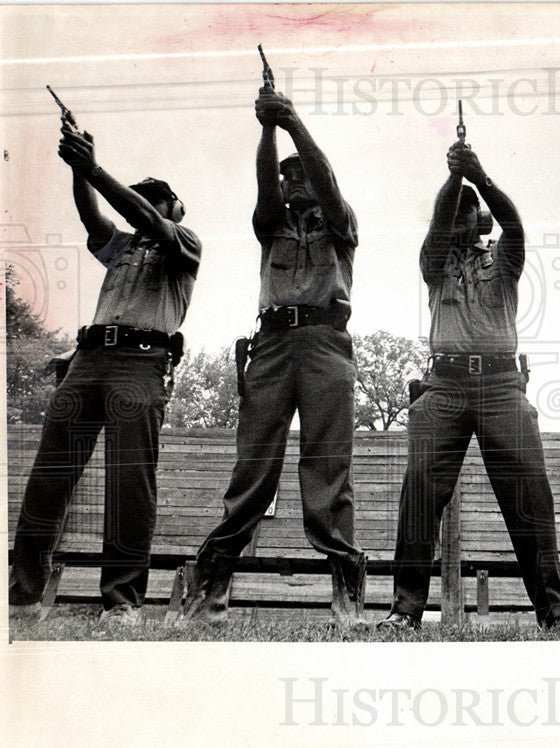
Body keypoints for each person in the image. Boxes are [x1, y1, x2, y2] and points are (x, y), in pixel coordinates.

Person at [379, 140, 560, 631]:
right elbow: (435, 225)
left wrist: (480, 176)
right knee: (420, 492)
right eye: (452, 212)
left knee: (530, 492)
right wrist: (453, 179)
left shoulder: (505, 257)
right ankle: (405, 609)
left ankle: (553, 611)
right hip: (443, 385)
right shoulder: (433, 261)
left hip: (501, 385)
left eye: (466, 212)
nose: (456, 220)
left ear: (479, 218)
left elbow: (514, 224)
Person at [182, 86, 364, 625]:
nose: (291, 181)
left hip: (326, 340)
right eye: (287, 176)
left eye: (297, 173)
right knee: (254, 463)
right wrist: (266, 126)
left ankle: (345, 589)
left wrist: (292, 121)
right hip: (272, 343)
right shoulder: (272, 224)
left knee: (328, 462)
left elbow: (328, 185)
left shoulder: (340, 221)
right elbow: (264, 187)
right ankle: (212, 584)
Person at [8, 123, 201, 626]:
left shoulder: (183, 243)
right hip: (88, 360)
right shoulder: (123, 246)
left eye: (155, 201)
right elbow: (92, 217)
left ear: (175, 208)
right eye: (142, 201)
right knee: (49, 476)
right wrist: (79, 173)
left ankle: (122, 603)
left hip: (142, 363)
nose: (144, 208)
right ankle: (21, 595)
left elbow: (145, 218)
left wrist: (94, 169)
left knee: (129, 482)